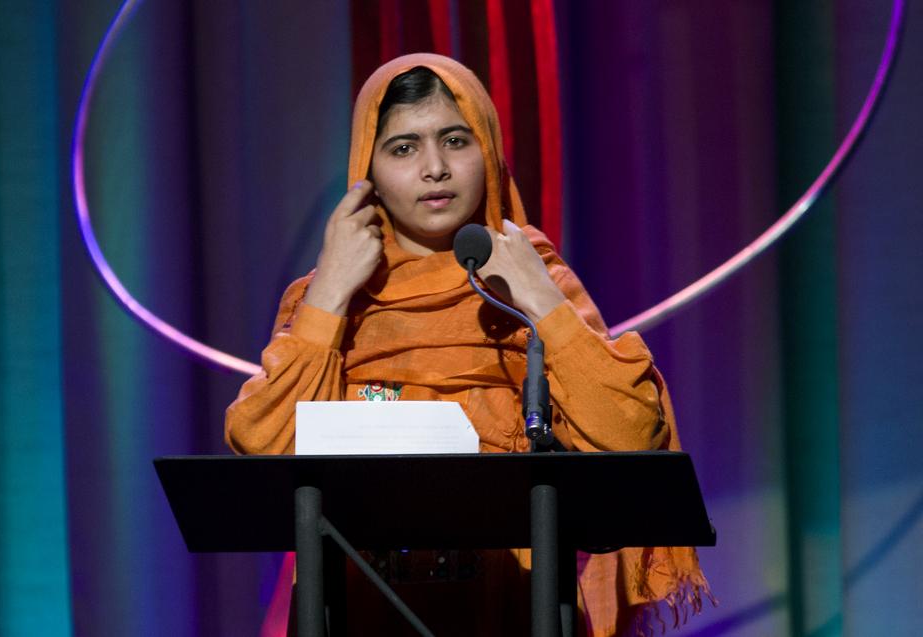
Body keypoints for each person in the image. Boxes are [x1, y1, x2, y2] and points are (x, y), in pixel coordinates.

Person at [226, 53, 711, 637]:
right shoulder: (326, 297)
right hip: (359, 613)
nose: (435, 168)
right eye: (403, 148)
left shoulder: (534, 282)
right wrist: (329, 296)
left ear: (488, 150)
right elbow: (264, 447)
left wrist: (543, 304)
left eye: (455, 140)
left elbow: (630, 436)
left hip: (514, 611)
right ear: (368, 170)